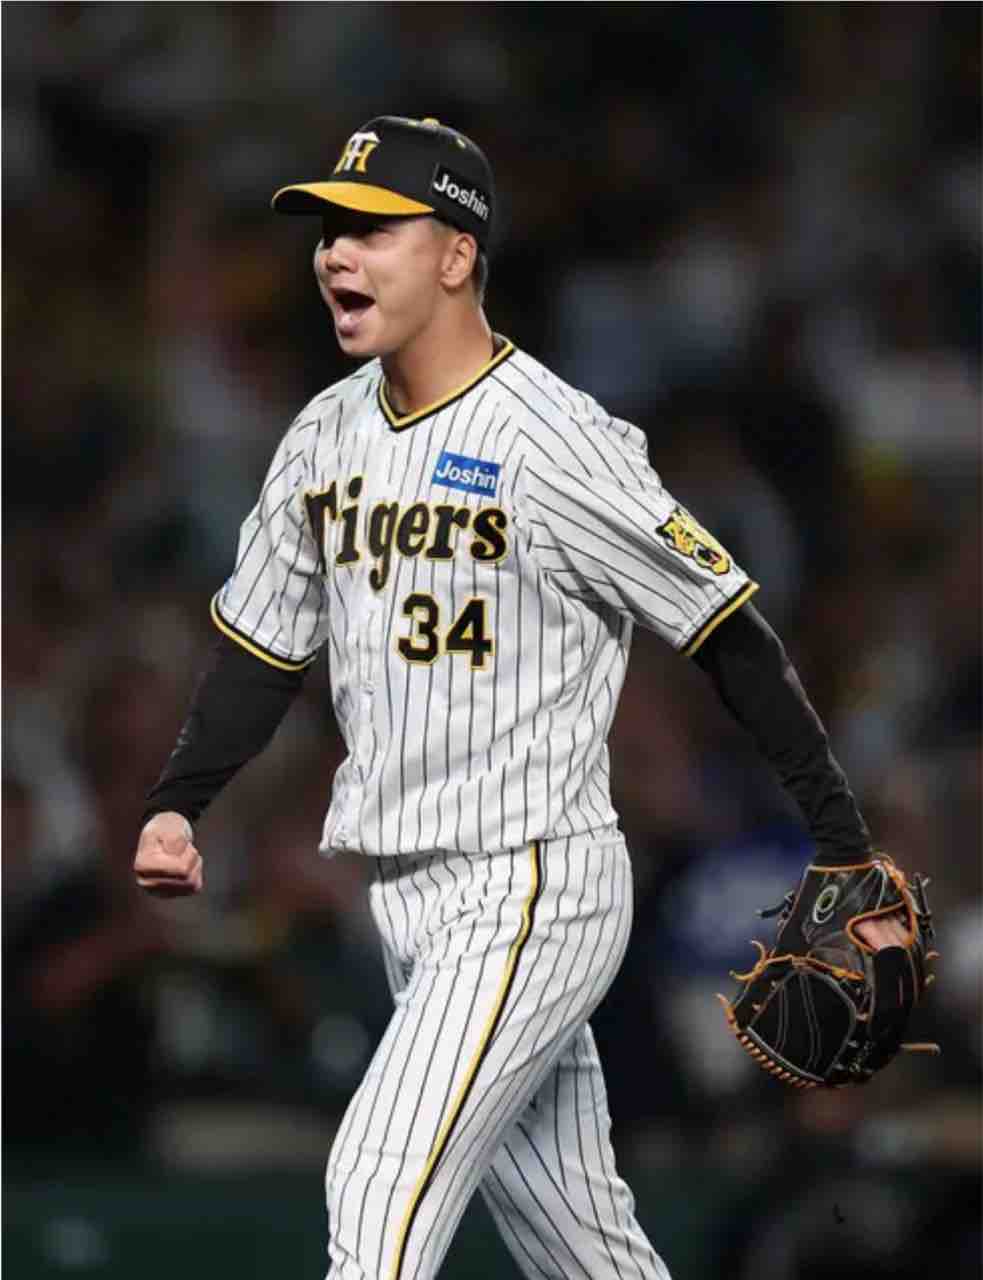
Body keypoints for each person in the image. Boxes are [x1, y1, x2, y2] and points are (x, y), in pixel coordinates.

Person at [134, 116, 906, 1280]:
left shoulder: (554, 436)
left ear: (456, 255)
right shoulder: (323, 434)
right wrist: (179, 799)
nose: (336, 253)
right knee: (579, 1241)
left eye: (373, 231)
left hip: (530, 876)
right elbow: (261, 651)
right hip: (405, 890)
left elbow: (724, 628)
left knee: (377, 1173)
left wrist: (839, 836)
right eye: (331, 231)